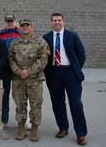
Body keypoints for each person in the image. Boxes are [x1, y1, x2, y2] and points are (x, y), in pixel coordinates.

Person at [43, 13, 87, 146]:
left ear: (63, 22)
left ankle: (81, 133)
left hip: (70, 73)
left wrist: (75, 69)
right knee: (57, 102)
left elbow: (81, 54)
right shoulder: (46, 37)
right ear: (51, 22)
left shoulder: (72, 36)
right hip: (53, 73)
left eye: (59, 20)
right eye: (54, 20)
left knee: (76, 103)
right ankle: (63, 128)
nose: (57, 22)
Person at [8, 19, 50, 142]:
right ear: (20, 28)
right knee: (20, 104)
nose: (25, 27)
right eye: (23, 26)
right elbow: (10, 58)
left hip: (35, 79)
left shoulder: (40, 42)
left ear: (31, 27)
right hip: (18, 79)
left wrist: (29, 72)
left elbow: (43, 60)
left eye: (27, 25)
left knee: (36, 104)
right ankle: (21, 128)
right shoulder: (15, 43)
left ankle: (34, 128)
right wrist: (18, 71)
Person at [0, 14, 22, 128]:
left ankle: (23, 121)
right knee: (4, 96)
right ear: (4, 22)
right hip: (5, 70)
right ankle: (4, 120)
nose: (10, 23)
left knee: (21, 96)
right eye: (8, 21)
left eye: (11, 21)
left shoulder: (21, 34)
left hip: (19, 69)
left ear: (15, 22)